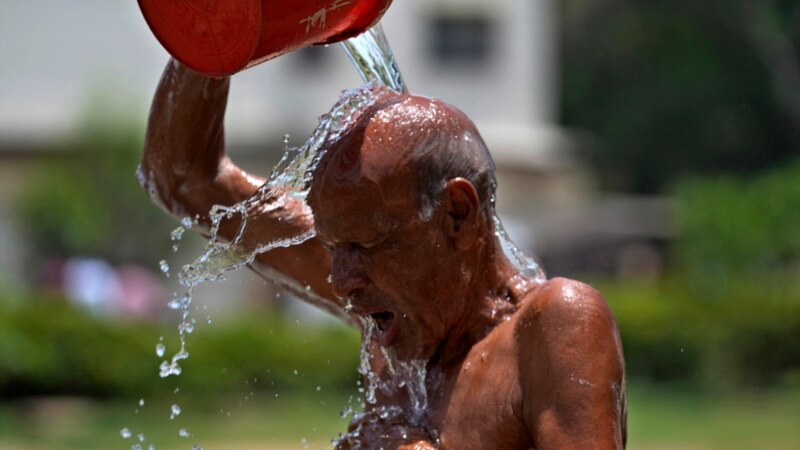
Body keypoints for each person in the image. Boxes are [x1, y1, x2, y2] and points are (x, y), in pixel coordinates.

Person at [140, 59, 627, 449]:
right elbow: (184, 178)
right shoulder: (391, 313)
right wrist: (215, 37)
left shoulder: (550, 327)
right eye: (333, 247)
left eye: (363, 247)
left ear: (457, 214)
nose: (340, 280)